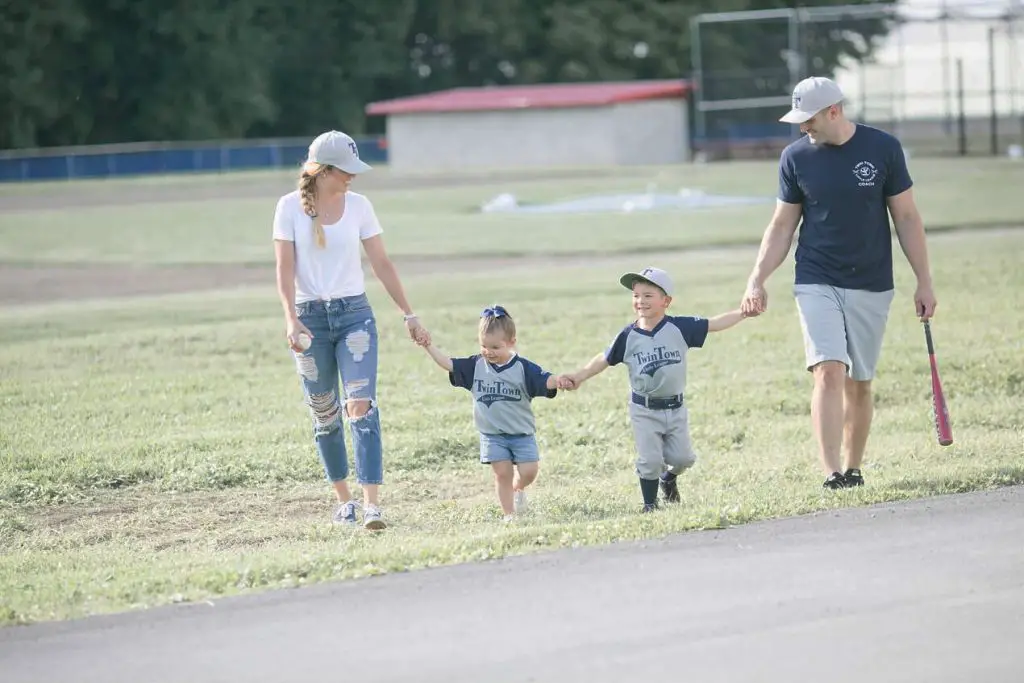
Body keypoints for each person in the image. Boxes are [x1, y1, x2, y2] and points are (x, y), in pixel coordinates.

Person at [740, 76, 938, 490]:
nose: (802, 128)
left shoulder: (883, 148)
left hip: (872, 281)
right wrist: (757, 278)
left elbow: (906, 217)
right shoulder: (796, 158)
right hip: (816, 276)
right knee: (828, 369)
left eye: (808, 119)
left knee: (859, 382)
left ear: (834, 111)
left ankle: (853, 467)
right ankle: (831, 473)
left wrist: (924, 281)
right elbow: (781, 226)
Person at [272, 130, 431, 530]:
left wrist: (408, 313)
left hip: (354, 317)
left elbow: (381, 262)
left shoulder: (360, 207)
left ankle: (372, 505)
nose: (352, 178)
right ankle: (344, 502)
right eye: (346, 171)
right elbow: (284, 270)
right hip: (310, 320)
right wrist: (291, 319)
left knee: (360, 404)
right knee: (324, 413)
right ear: (323, 171)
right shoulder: (289, 208)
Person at [566, 268, 750, 512]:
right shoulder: (628, 335)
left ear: (666, 301)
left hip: (675, 408)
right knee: (650, 460)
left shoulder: (679, 328)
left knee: (683, 459)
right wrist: (579, 376)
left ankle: (669, 478)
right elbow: (604, 358)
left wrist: (744, 313)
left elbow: (714, 324)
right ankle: (650, 505)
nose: (640, 301)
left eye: (648, 295)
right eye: (636, 295)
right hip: (644, 409)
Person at [420, 305, 574, 522]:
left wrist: (559, 381)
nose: (488, 352)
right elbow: (448, 363)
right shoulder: (476, 366)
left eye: (495, 347)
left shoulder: (522, 368)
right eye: (484, 345)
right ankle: (508, 515)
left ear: (511, 342)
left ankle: (518, 488)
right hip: (492, 435)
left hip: (521, 434)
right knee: (502, 472)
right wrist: (429, 346)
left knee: (529, 472)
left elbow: (544, 380)